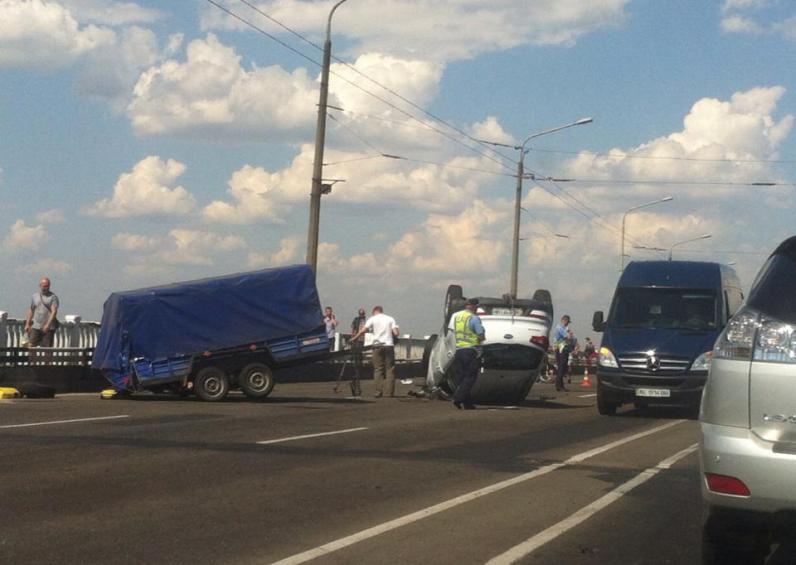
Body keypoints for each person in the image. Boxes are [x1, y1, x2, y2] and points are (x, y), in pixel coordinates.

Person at [351, 306, 399, 398]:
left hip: (377, 346)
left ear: (374, 312)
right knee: (390, 369)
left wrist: (354, 338)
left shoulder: (372, 319)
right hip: (389, 345)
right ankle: (389, 393)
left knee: (378, 369)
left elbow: (363, 331)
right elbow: (396, 333)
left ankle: (378, 392)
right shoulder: (390, 318)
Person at [449, 297, 486, 409]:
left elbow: (452, 331)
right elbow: (480, 334)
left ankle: (467, 403)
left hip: (459, 350)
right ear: (475, 306)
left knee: (463, 377)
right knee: (470, 377)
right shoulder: (474, 318)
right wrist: (482, 339)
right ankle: (458, 398)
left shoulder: (457, 317)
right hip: (471, 350)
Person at [24, 277, 60, 348]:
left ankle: (46, 359)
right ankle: (32, 359)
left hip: (48, 328)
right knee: (31, 346)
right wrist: (27, 324)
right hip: (36, 326)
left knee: (47, 349)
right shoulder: (35, 296)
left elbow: (54, 311)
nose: (45, 288)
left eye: (47, 286)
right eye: (44, 286)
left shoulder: (53, 297)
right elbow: (31, 310)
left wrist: (48, 324)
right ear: (40, 286)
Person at [348, 308, 367, 396]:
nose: (361, 315)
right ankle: (355, 385)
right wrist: (352, 339)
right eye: (361, 314)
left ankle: (355, 383)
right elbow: (353, 331)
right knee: (357, 365)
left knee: (358, 366)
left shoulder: (365, 321)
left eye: (362, 314)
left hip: (360, 343)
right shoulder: (357, 320)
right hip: (357, 343)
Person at [553, 315, 575, 392]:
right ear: (564, 320)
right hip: (561, 349)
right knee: (562, 367)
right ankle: (559, 385)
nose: (568, 324)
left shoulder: (560, 328)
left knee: (561, 367)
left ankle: (560, 385)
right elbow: (568, 337)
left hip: (560, 348)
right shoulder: (560, 328)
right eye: (567, 322)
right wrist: (569, 333)